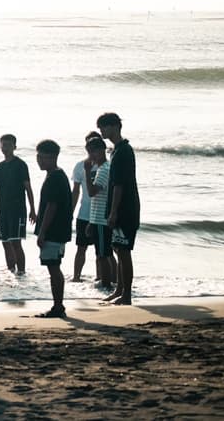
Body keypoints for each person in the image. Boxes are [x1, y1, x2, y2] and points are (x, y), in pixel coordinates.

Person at [98, 112, 139, 306]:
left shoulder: (124, 151)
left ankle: (127, 294)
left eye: (104, 127)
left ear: (114, 126)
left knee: (123, 251)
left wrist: (114, 212)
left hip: (125, 209)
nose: (102, 131)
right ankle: (120, 290)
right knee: (117, 248)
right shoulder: (116, 150)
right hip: (118, 207)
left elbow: (120, 185)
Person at [33, 140, 72, 318]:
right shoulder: (56, 175)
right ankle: (58, 305)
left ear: (53, 157)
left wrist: (42, 232)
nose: (39, 160)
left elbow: (52, 207)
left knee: (53, 267)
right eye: (38, 156)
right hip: (58, 230)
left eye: (42, 157)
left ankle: (58, 306)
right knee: (54, 266)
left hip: (54, 231)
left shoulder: (55, 177)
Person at [0, 134, 35, 275]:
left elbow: (28, 188)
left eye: (9, 145)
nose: (6, 147)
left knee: (16, 242)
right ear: (0, 147)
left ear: (14, 147)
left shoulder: (20, 165)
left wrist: (33, 210)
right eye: (3, 145)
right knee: (5, 242)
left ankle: (21, 273)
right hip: (3, 209)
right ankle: (11, 272)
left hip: (17, 209)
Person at [83, 134, 117, 292]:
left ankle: (107, 284)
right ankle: (111, 282)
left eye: (93, 152)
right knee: (104, 253)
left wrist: (87, 171)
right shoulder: (103, 168)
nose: (91, 156)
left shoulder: (104, 169)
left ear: (101, 151)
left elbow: (91, 192)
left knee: (103, 254)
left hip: (103, 219)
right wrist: (91, 221)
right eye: (89, 152)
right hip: (98, 218)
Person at [69, 132, 100, 283]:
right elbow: (75, 191)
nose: (92, 150)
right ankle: (76, 278)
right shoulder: (80, 166)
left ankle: (103, 279)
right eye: (89, 146)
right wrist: (70, 212)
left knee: (102, 251)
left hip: (101, 214)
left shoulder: (107, 165)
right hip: (84, 213)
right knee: (81, 248)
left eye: (95, 145)